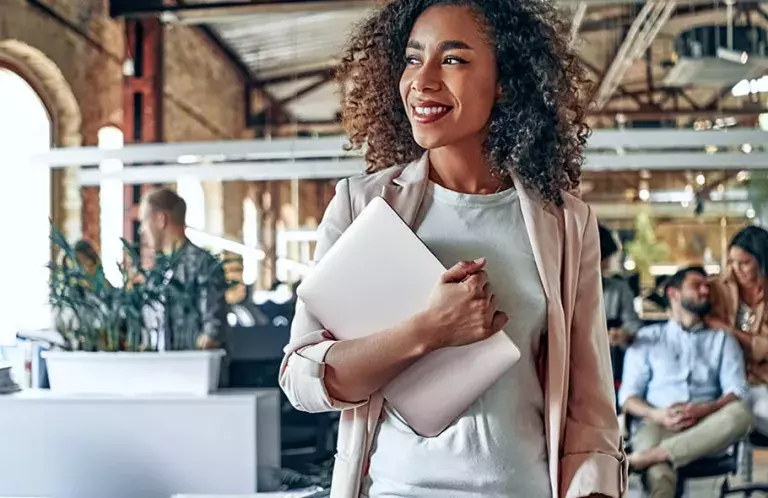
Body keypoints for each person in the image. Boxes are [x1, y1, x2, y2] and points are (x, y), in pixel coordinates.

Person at [279, 0, 626, 497]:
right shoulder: (361, 205)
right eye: (413, 58)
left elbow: (590, 408)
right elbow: (303, 379)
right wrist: (428, 330)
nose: (422, 80)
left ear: (505, 80)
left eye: (454, 59)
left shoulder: (566, 223)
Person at [619, 266, 752, 498]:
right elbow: (628, 397)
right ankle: (657, 456)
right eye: (696, 285)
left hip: (706, 427)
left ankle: (650, 457)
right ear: (674, 294)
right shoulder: (647, 339)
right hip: (656, 423)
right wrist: (657, 414)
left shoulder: (722, 339)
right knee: (660, 475)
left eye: (707, 287)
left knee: (741, 413)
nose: (705, 291)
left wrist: (706, 409)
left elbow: (737, 390)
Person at [139, 189, 229, 380]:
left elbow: (212, 330)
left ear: (161, 219)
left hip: (196, 378)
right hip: (162, 376)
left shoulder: (202, 264)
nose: (142, 230)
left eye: (144, 222)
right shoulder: (158, 272)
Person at [709, 226, 768, 435]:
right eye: (732, 262)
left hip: (761, 382)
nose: (736, 269)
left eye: (744, 263)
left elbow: (764, 349)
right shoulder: (718, 288)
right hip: (723, 382)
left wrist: (727, 330)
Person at [598, 224, 642, 391]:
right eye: (605, 258)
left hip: (609, 366)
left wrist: (623, 335)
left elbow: (633, 325)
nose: (607, 264)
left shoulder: (618, 289)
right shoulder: (563, 289)